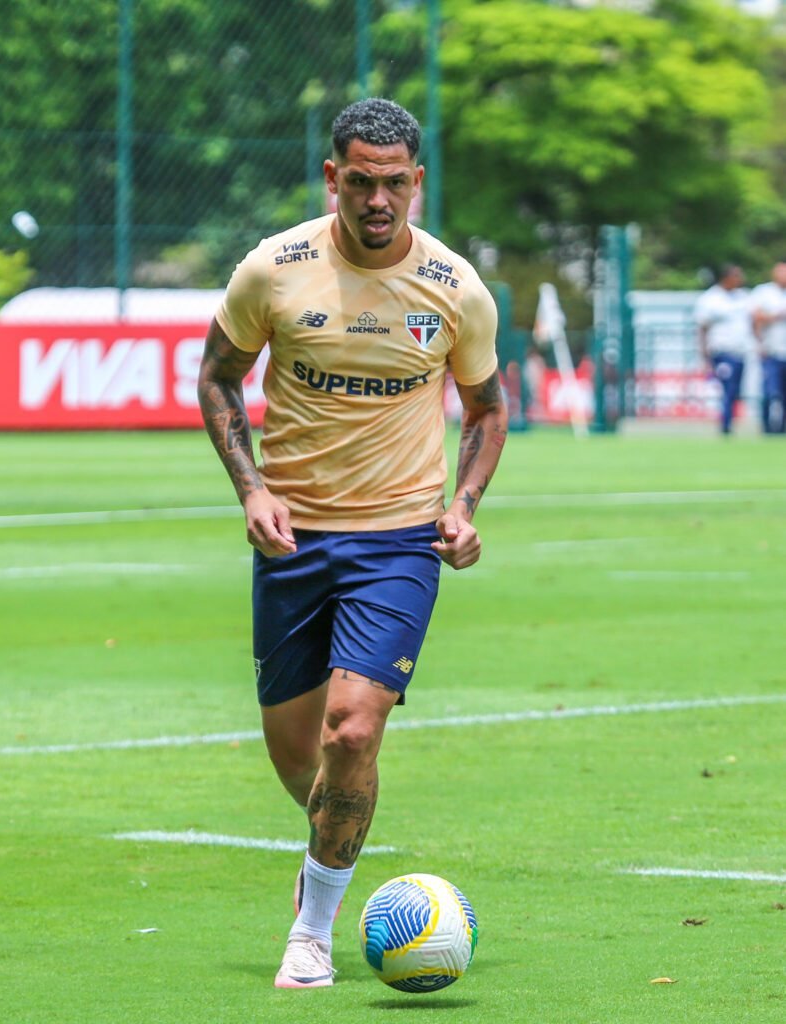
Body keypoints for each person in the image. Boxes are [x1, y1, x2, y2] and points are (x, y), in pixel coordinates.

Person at [197, 98, 507, 989]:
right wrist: (252, 489)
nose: (378, 200)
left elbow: (486, 409)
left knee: (352, 730)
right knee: (302, 758)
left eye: (395, 183)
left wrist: (463, 505)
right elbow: (217, 377)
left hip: (398, 541)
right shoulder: (273, 270)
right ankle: (331, 845)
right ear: (332, 177)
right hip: (293, 542)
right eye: (361, 182)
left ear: (417, 182)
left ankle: (313, 932)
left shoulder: (454, 288)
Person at [694, 264, 754, 435]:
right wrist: (704, 354)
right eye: (736, 276)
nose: (740, 280)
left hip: (740, 352)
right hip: (722, 352)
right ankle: (725, 426)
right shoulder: (711, 299)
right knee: (727, 389)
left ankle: (729, 422)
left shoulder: (743, 297)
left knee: (735, 390)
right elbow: (703, 327)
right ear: (726, 278)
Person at [749, 261, 786, 434]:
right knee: (770, 392)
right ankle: (767, 428)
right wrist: (776, 317)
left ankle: (782, 430)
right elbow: (755, 317)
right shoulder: (764, 292)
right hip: (771, 351)